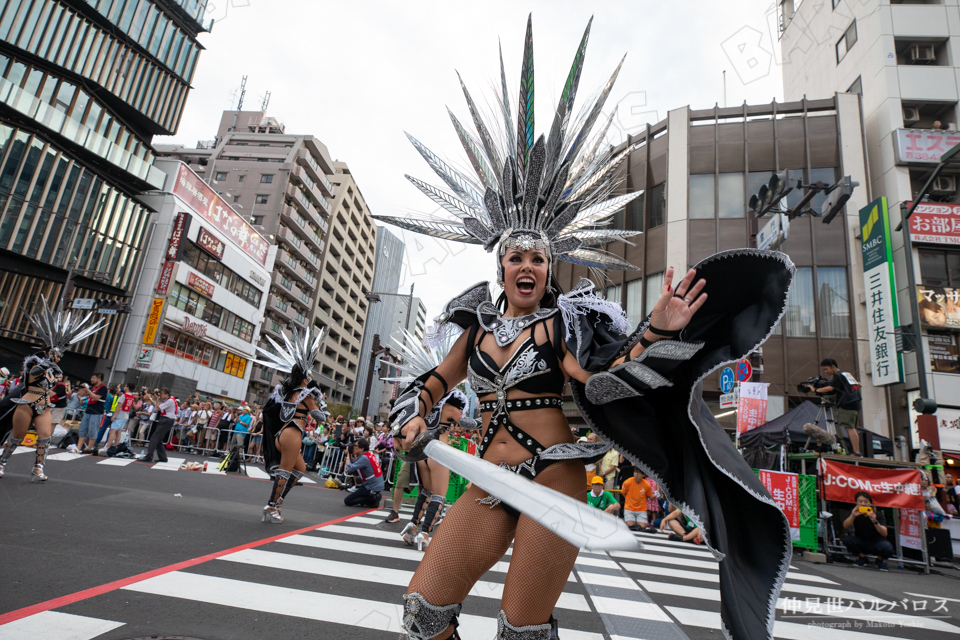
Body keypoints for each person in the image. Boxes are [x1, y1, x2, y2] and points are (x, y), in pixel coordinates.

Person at [378, 17, 794, 640]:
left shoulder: (569, 320)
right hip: (488, 480)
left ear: (550, 265)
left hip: (555, 477)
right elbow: (435, 382)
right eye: (516, 256)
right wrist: (411, 416)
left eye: (538, 257)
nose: (527, 266)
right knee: (423, 611)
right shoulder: (475, 323)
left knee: (521, 629)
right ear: (500, 264)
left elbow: (603, 379)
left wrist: (655, 333)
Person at [0, 298, 105, 480]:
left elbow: (57, 382)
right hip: (27, 404)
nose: (58, 357)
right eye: (56, 354)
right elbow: (35, 373)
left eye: (60, 355)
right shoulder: (34, 363)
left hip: (44, 406)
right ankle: (1, 462)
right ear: (49, 352)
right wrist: (49, 361)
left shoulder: (57, 369)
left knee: (45, 437)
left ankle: (38, 467)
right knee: (18, 436)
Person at [255, 327, 329, 524]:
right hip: (293, 433)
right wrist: (322, 402)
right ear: (305, 379)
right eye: (310, 377)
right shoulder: (306, 395)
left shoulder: (286, 392)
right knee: (285, 472)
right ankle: (271, 505)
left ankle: (277, 502)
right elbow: (319, 417)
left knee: (300, 469)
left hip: (282, 433)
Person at [806, 358, 863, 456]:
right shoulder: (847, 374)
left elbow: (831, 388)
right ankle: (856, 451)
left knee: (849, 428)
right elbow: (859, 385)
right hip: (856, 402)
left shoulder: (838, 375)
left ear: (833, 367)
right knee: (852, 428)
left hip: (847, 404)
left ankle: (856, 452)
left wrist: (815, 390)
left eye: (826, 369)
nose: (826, 371)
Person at [841, 491, 893, 571]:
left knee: (887, 547)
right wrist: (853, 516)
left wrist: (875, 521)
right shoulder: (854, 512)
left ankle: (880, 560)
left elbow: (884, 533)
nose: (863, 504)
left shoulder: (877, 514)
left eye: (866, 502)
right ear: (856, 503)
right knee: (847, 539)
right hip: (861, 541)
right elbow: (845, 525)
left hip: (876, 543)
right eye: (860, 501)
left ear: (870, 504)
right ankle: (862, 558)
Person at [344, 437, 385, 508]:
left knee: (347, 501)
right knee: (358, 479)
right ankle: (372, 496)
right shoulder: (368, 454)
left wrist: (347, 456)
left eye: (355, 446)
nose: (353, 447)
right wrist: (352, 455)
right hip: (376, 483)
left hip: (371, 486)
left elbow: (350, 469)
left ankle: (372, 498)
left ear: (362, 449)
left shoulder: (364, 458)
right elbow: (355, 464)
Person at [138, 389, 178, 463]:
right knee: (158, 440)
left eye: (162, 394)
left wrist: (157, 400)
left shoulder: (170, 401)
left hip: (166, 420)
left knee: (154, 438)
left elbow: (158, 408)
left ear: (167, 394)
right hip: (166, 419)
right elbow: (157, 406)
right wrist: (157, 398)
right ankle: (163, 457)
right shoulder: (169, 399)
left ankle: (149, 456)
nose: (160, 395)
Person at [75, 373, 108, 454]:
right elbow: (84, 395)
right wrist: (83, 389)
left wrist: (88, 390)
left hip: (96, 412)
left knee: (93, 430)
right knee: (83, 429)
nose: (91, 380)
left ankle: (89, 448)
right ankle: (78, 448)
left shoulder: (103, 388)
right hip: (88, 410)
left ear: (99, 378)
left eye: (93, 378)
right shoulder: (93, 387)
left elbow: (96, 397)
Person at [106, 383, 136, 450]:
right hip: (126, 415)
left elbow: (119, 405)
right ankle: (115, 446)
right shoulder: (132, 396)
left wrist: (114, 415)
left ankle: (108, 446)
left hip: (120, 415)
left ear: (127, 387)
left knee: (112, 431)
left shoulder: (124, 395)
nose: (124, 387)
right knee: (119, 431)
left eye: (125, 386)